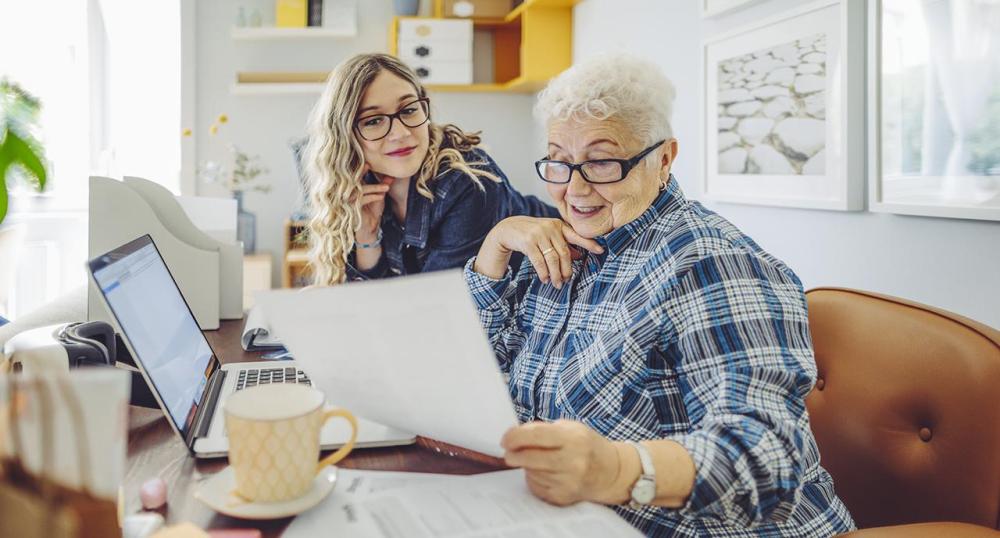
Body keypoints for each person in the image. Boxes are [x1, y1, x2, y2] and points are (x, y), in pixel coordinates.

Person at [464, 53, 856, 536]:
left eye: (602, 161)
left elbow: (769, 458)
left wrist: (613, 469)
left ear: (663, 158)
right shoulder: (563, 244)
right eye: (560, 163)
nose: (575, 189)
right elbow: (484, 375)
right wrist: (494, 247)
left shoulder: (711, 262)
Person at [303, 53, 555, 285]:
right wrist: (368, 237)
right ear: (345, 136)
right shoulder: (359, 187)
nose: (400, 133)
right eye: (373, 120)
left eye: (409, 109)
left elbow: (434, 309)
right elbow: (371, 305)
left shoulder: (466, 181)